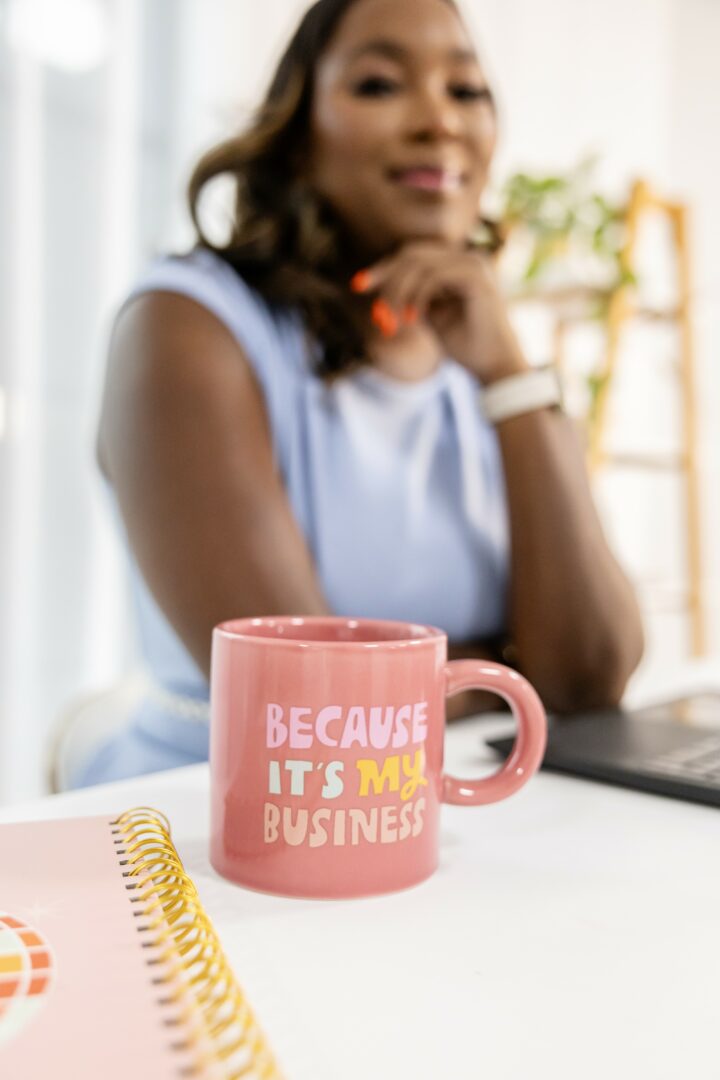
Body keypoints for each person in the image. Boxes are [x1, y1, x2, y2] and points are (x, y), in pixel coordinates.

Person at [77, 0, 644, 788]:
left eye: (466, 90)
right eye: (380, 84)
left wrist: (511, 378)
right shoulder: (185, 327)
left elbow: (586, 681)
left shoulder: (479, 359)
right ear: (298, 134)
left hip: (453, 809)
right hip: (208, 818)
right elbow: (311, 711)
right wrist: (508, 666)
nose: (439, 121)